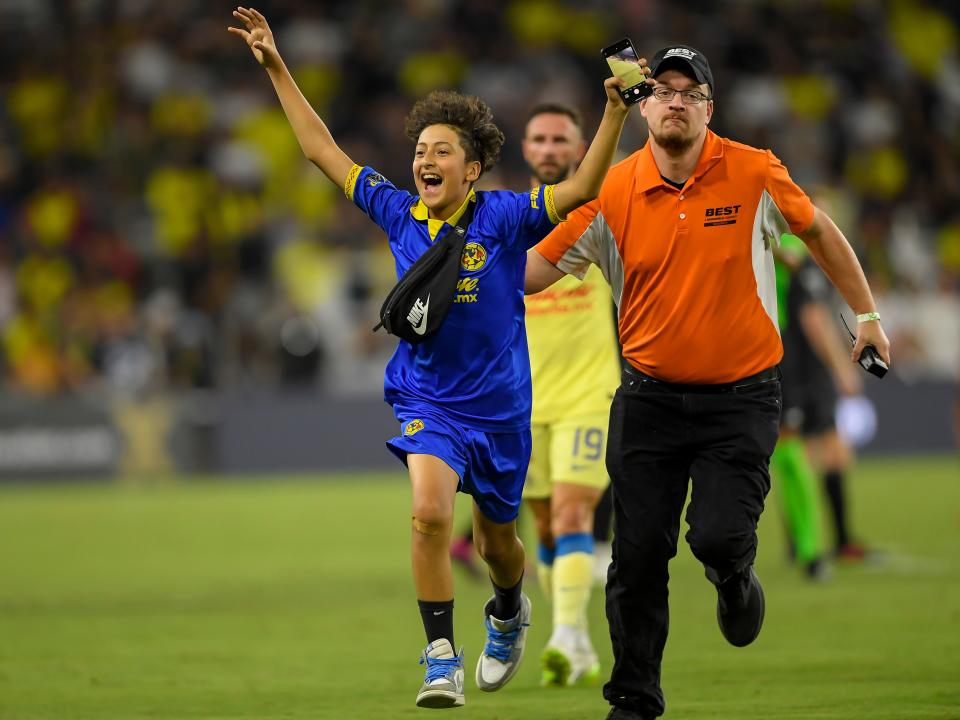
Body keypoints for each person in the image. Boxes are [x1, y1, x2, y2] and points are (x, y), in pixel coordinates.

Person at [228, 7, 642, 710]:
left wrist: (612, 115)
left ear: (472, 168)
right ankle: (440, 657)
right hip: (429, 400)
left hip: (504, 408)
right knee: (426, 513)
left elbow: (581, 191)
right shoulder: (397, 213)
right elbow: (322, 151)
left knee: (500, 545)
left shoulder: (505, 217)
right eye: (420, 149)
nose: (425, 159)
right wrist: (276, 67)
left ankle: (509, 613)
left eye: (442, 150)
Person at [525, 45, 891, 720]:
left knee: (718, 538)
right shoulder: (610, 188)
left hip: (741, 398)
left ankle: (733, 576)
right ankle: (634, 698)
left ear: (708, 109)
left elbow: (821, 232)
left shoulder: (753, 170)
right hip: (648, 399)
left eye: (689, 92)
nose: (673, 100)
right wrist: (457, 263)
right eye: (660, 89)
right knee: (635, 558)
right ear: (641, 106)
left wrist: (865, 316)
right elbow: (529, 275)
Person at [519, 103, 622, 688]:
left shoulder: (602, 214)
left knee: (572, 511)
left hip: (591, 394)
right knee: (546, 528)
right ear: (526, 150)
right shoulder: (508, 221)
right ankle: (577, 637)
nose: (550, 147)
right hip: (525, 403)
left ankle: (562, 634)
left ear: (581, 148)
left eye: (562, 138)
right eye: (540, 138)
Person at [775, 233, 873, 563]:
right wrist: (841, 369)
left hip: (787, 367)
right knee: (814, 452)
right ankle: (821, 543)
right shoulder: (806, 264)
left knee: (810, 451)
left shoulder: (788, 259)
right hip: (801, 372)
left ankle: (808, 541)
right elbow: (814, 321)